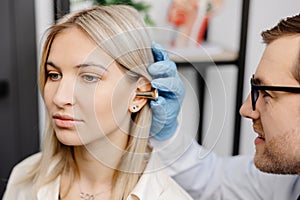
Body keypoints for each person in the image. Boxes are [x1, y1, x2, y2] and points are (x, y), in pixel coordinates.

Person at [3, 5, 192, 200]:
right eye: (54, 75)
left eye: (89, 77)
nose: (60, 98)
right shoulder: (24, 179)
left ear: (138, 94)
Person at [152, 13, 300, 200]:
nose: (246, 109)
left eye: (266, 93)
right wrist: (167, 133)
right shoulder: (286, 183)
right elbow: (212, 180)